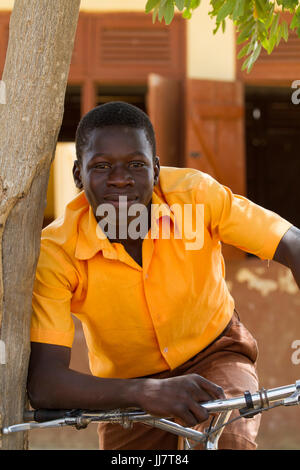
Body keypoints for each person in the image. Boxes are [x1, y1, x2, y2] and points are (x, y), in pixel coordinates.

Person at [27, 101, 300, 450]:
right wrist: (143, 391)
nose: (120, 178)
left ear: (156, 170)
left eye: (136, 165)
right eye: (102, 166)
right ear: (78, 175)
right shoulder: (57, 251)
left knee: (223, 442)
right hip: (126, 389)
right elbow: (45, 384)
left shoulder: (195, 196)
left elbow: (291, 242)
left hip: (214, 355)